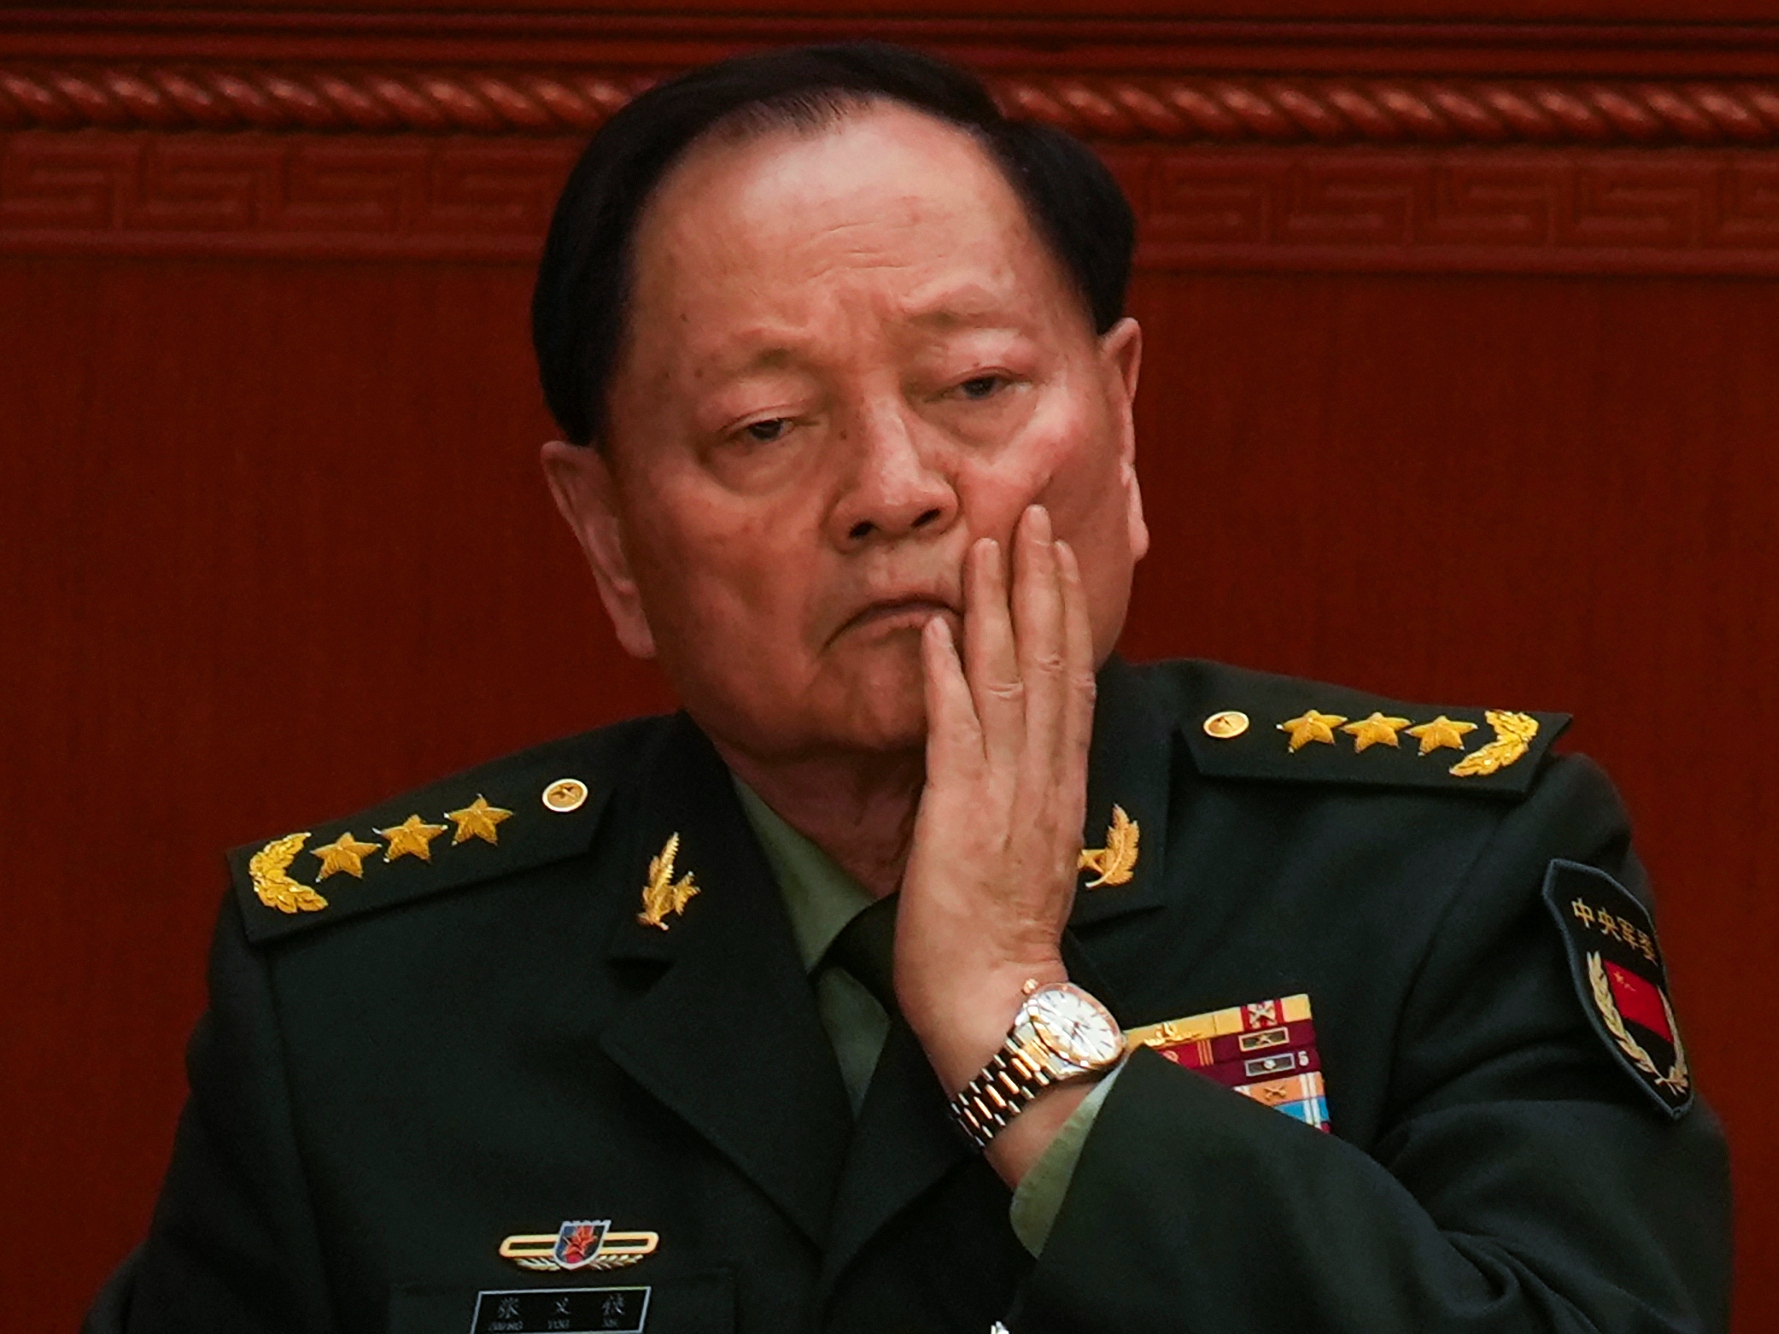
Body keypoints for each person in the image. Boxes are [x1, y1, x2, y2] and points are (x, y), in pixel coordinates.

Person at [89, 43, 1731, 1334]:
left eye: (975, 384)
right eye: (764, 426)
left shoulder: (1443, 878)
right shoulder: (361, 999)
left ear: (1122, 421)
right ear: (606, 538)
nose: (894, 489)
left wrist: (1026, 1035)